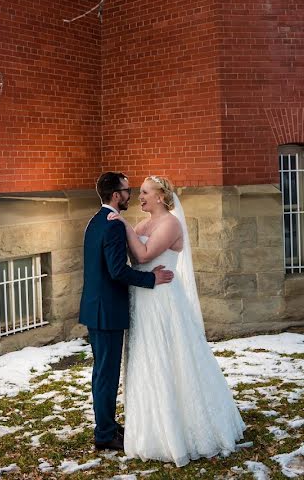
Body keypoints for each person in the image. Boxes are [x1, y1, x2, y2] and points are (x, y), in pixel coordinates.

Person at [108, 175, 245, 466]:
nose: (140, 197)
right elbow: (133, 254)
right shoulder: (144, 224)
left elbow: (143, 253)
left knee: (170, 358)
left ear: (160, 196)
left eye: (145, 193)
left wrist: (121, 225)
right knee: (147, 358)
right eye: (140, 193)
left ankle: (182, 428)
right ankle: (151, 427)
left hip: (163, 301)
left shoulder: (170, 223)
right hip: (142, 300)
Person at [79, 172, 174, 452]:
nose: (130, 194)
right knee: (106, 375)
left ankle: (106, 425)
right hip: (106, 312)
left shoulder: (95, 221)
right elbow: (117, 271)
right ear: (115, 195)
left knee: (103, 373)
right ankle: (105, 434)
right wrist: (151, 279)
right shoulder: (113, 226)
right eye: (127, 189)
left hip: (96, 309)